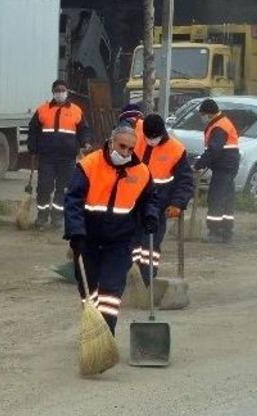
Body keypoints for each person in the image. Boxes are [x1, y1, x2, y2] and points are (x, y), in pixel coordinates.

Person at [64, 125, 159, 335]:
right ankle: (92, 325)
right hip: (87, 239)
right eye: (122, 146)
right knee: (88, 288)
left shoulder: (141, 172)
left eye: (130, 148)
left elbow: (149, 199)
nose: (125, 152)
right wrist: (75, 232)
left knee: (111, 288)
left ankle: (106, 333)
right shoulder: (89, 165)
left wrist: (151, 215)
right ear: (111, 141)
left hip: (120, 241)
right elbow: (73, 200)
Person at [132, 114, 195, 284]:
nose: (151, 140)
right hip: (131, 204)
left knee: (149, 247)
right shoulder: (134, 138)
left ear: (162, 133)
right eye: (148, 137)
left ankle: (147, 280)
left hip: (157, 207)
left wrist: (177, 203)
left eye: (155, 137)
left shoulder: (176, 150)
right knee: (130, 243)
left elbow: (185, 181)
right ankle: (129, 277)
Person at [28, 80, 91, 229]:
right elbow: (33, 130)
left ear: (67, 92)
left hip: (67, 158)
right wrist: (32, 147)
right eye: (57, 90)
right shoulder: (42, 110)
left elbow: (84, 130)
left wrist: (85, 142)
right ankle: (42, 217)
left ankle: (57, 218)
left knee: (64, 189)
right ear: (53, 92)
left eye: (62, 90)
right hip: (47, 158)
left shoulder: (76, 110)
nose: (60, 93)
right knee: (44, 187)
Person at [194, 99, 240, 243]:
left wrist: (199, 164)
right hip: (227, 167)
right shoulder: (222, 123)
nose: (201, 117)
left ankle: (215, 231)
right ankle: (226, 231)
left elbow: (214, 150)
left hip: (223, 168)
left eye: (202, 114)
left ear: (209, 113)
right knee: (226, 199)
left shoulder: (219, 127)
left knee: (216, 199)